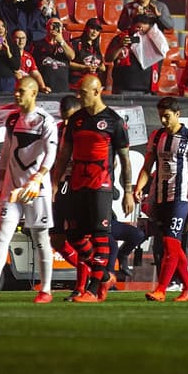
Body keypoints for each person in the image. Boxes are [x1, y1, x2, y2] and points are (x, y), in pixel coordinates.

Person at [0, 77, 58, 303]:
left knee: (40, 238)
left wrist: (38, 178)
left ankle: (46, 289)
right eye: (16, 90)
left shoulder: (45, 121)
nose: (16, 94)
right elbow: (6, 152)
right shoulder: (11, 119)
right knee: (2, 236)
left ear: (34, 93)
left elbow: (51, 154)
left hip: (36, 189)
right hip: (12, 188)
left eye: (21, 91)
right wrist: (1, 184)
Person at [54, 74, 133, 302]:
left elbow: (125, 160)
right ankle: (104, 275)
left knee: (100, 236)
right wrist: (55, 182)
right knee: (74, 235)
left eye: (83, 93)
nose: (79, 96)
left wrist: (128, 191)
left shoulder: (114, 121)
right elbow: (64, 154)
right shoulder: (76, 120)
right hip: (77, 185)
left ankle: (93, 288)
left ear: (97, 92)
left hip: (101, 186)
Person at [134, 96, 188, 302]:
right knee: (172, 245)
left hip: (181, 198)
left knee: (171, 243)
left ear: (178, 114)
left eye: (167, 116)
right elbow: (147, 166)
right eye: (161, 116)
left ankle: (161, 289)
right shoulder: (157, 136)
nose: (163, 121)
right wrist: (139, 187)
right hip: (160, 197)